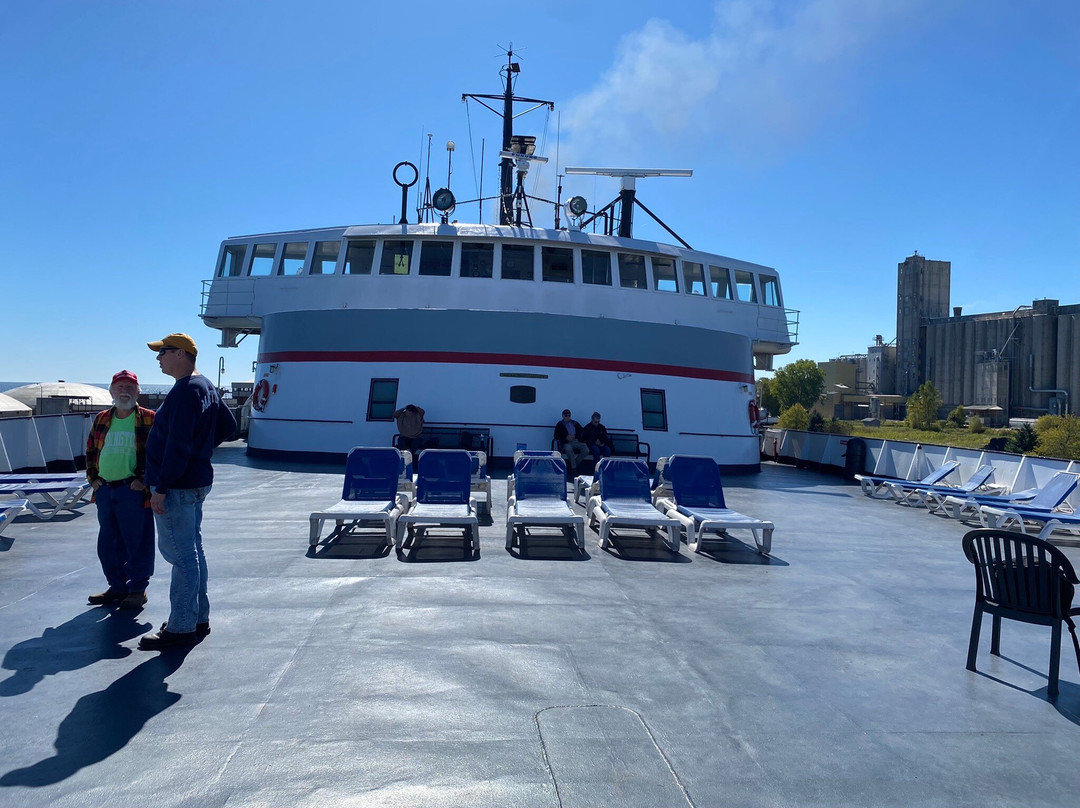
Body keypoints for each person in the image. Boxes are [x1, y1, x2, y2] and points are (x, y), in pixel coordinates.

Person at [138, 333, 237, 651]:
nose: (159, 358)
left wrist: (162, 487)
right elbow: (228, 426)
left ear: (180, 354)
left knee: (182, 557)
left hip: (177, 487)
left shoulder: (184, 391)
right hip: (195, 481)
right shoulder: (206, 386)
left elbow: (177, 444)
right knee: (193, 551)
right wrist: (201, 451)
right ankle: (197, 618)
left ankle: (181, 627)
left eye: (163, 352)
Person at [85, 370, 156, 610]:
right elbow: (91, 450)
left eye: (129, 387)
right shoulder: (102, 418)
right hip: (105, 490)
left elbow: (157, 454)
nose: (124, 391)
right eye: (120, 387)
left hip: (132, 491)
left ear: (138, 392)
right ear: (111, 391)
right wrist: (93, 479)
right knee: (108, 544)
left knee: (137, 542)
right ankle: (117, 587)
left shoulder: (149, 419)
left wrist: (143, 480)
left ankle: (137, 589)